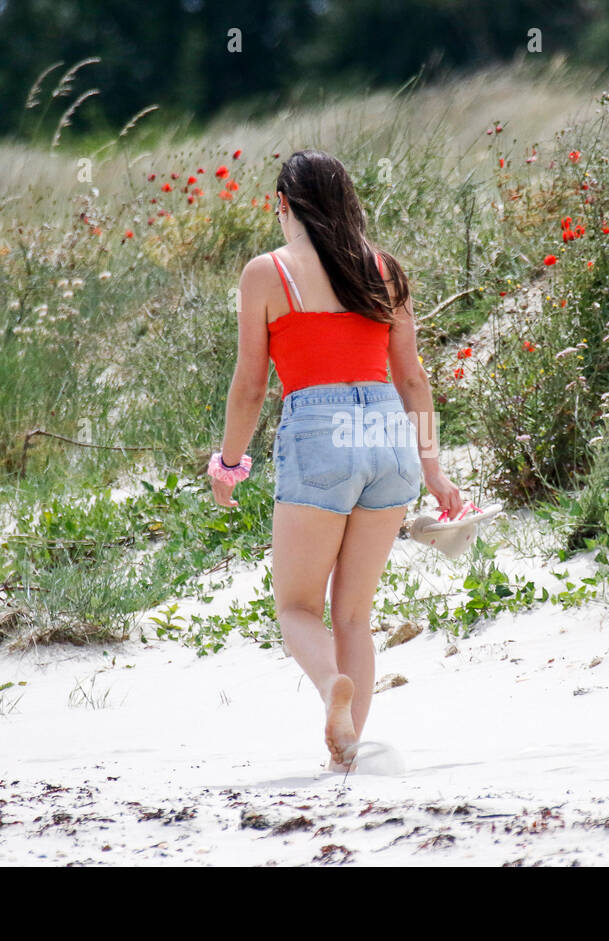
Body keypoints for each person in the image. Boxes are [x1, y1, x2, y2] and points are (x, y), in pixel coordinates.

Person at [207, 149, 463, 773]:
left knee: (296, 606)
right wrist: (433, 470)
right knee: (354, 613)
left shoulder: (267, 273)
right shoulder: (384, 270)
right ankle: (348, 753)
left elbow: (249, 386)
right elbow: (413, 381)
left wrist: (229, 463)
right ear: (348, 202)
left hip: (320, 434)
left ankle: (330, 690)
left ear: (283, 206)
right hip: (388, 437)